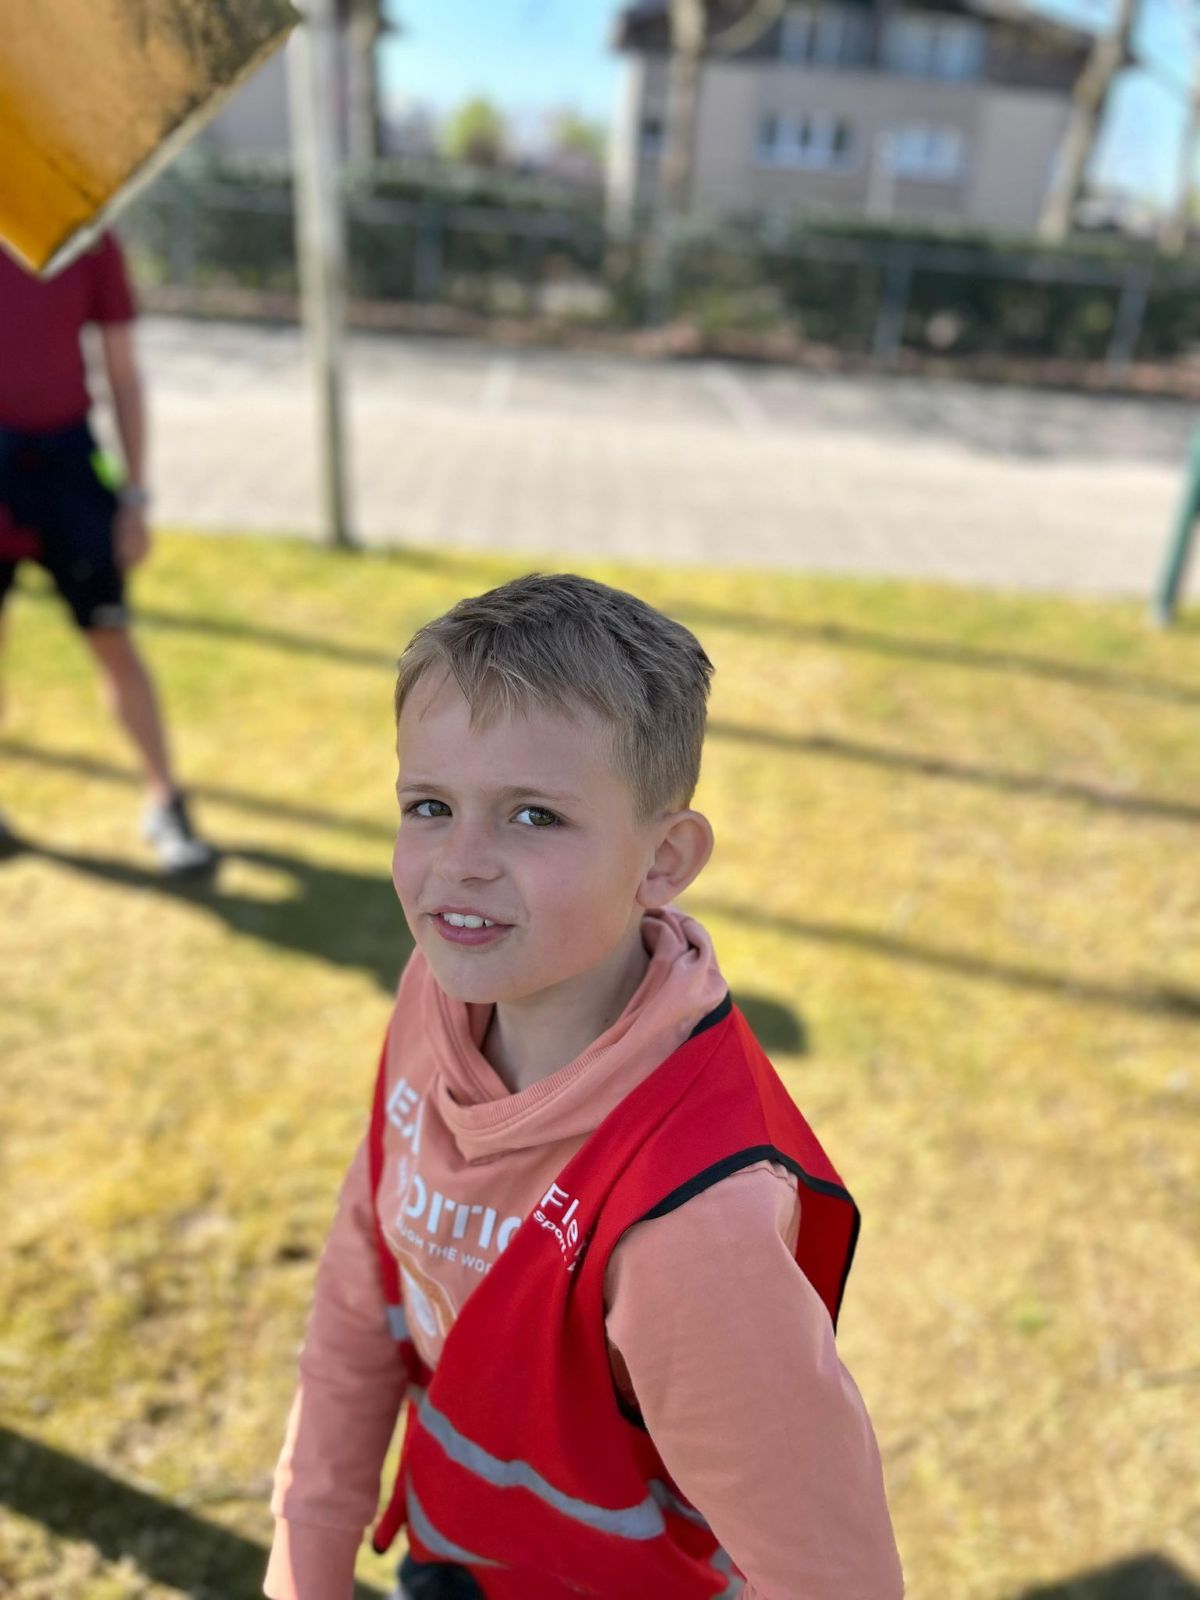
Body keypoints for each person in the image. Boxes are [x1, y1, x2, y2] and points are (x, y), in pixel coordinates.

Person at [266, 573, 903, 1600]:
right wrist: (307, 1560)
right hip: (456, 1553)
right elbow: (363, 1278)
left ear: (663, 860)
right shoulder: (436, 990)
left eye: (534, 815)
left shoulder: (691, 1224)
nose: (461, 863)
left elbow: (832, 1576)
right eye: (430, 806)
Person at [0, 231, 215, 874]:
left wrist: (135, 497)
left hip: (68, 468)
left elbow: (122, 372)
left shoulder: (82, 233)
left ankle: (165, 801)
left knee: (111, 637)